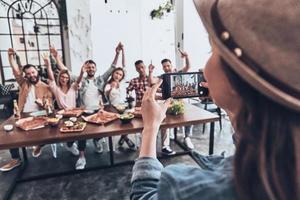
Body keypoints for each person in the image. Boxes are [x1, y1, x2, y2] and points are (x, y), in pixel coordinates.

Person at [131, 0, 300, 199]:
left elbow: (144, 195)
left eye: (212, 51)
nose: (203, 69)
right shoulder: (283, 161)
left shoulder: (209, 190)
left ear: (235, 78)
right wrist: (236, 104)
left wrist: (150, 128)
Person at [50, 46, 116, 169]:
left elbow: (112, 68)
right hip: (83, 111)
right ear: (85, 69)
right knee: (83, 135)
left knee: (99, 131)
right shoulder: (80, 80)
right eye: (88, 67)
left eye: (92, 67)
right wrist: (56, 57)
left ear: (95, 69)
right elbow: (65, 71)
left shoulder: (100, 79)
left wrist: (117, 53)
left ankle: (97, 141)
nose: (90, 69)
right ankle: (81, 157)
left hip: (97, 111)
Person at [0, 48, 53, 172]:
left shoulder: (46, 87)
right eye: (28, 73)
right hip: (22, 115)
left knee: (51, 132)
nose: (31, 75)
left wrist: (43, 105)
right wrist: (10, 57)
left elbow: (49, 106)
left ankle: (39, 145)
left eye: (33, 72)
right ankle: (16, 159)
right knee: (10, 134)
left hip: (39, 115)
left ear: (37, 71)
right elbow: (15, 70)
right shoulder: (24, 83)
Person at [43, 53, 87, 170]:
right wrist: (48, 65)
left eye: (66, 77)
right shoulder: (55, 88)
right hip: (62, 116)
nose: (64, 79)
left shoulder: (73, 86)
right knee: (67, 136)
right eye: (62, 77)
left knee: (82, 134)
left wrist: (82, 72)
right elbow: (51, 78)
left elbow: (78, 81)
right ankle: (70, 145)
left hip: (74, 114)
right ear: (60, 78)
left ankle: (82, 158)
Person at [149, 49, 194, 155]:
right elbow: (152, 81)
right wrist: (150, 71)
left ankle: (187, 137)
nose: (166, 68)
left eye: (168, 65)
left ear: (171, 65)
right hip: (168, 104)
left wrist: (186, 56)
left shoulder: (178, 73)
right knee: (164, 121)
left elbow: (188, 67)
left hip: (180, 103)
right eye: (164, 66)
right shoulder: (162, 77)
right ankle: (165, 146)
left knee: (190, 117)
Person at [104, 43, 135, 149]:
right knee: (117, 126)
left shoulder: (122, 83)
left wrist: (123, 51)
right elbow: (106, 97)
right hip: (113, 108)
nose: (118, 75)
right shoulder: (108, 85)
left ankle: (124, 138)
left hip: (124, 106)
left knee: (128, 124)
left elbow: (124, 65)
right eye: (116, 73)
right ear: (113, 74)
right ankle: (125, 138)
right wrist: (111, 88)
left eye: (120, 74)